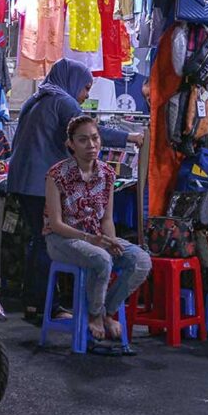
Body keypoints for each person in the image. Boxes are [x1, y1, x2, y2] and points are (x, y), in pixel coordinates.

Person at [8, 59, 142, 321]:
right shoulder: (64, 102)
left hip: (21, 181)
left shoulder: (37, 99)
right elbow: (90, 132)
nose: (86, 94)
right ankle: (47, 307)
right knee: (47, 243)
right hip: (38, 183)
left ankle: (37, 304)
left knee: (38, 241)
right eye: (86, 87)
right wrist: (130, 137)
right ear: (73, 81)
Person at [44, 115, 151, 343]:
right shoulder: (57, 175)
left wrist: (111, 241)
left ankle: (107, 310)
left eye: (95, 138)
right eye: (83, 140)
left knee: (141, 260)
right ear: (70, 144)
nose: (91, 145)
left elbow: (107, 219)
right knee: (101, 259)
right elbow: (55, 224)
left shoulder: (107, 174)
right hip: (62, 239)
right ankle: (94, 315)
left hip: (96, 238)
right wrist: (90, 239)